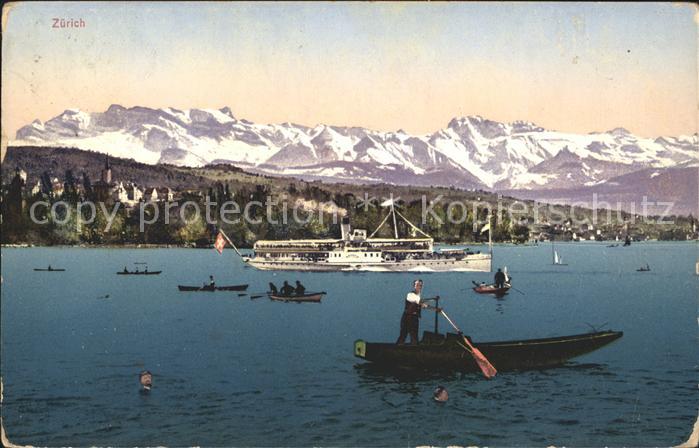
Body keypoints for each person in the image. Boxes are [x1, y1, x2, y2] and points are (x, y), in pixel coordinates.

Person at [396, 279, 427, 345]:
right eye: (417, 285)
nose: (419, 286)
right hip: (407, 318)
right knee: (403, 335)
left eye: (420, 285)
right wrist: (422, 304)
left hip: (414, 318)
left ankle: (415, 350)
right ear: (414, 286)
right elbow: (416, 300)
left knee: (414, 337)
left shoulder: (419, 295)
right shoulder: (410, 294)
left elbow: (419, 303)